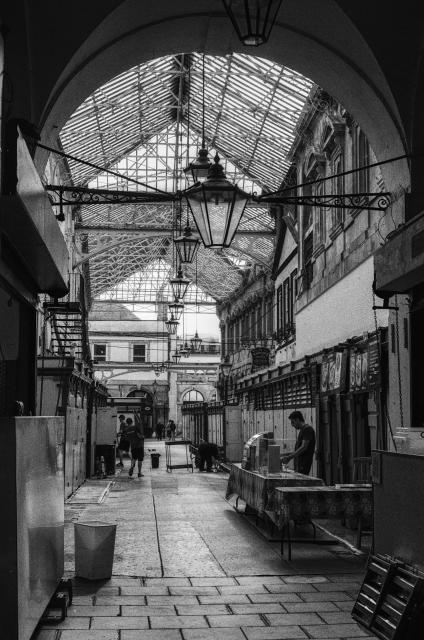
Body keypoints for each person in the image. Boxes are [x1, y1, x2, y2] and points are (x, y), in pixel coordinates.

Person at [281, 410, 316, 475]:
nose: (292, 425)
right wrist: (285, 455)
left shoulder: (307, 430)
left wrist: (289, 457)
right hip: (299, 463)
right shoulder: (302, 430)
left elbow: (303, 447)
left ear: (297, 419)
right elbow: (299, 448)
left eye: (293, 422)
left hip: (304, 463)